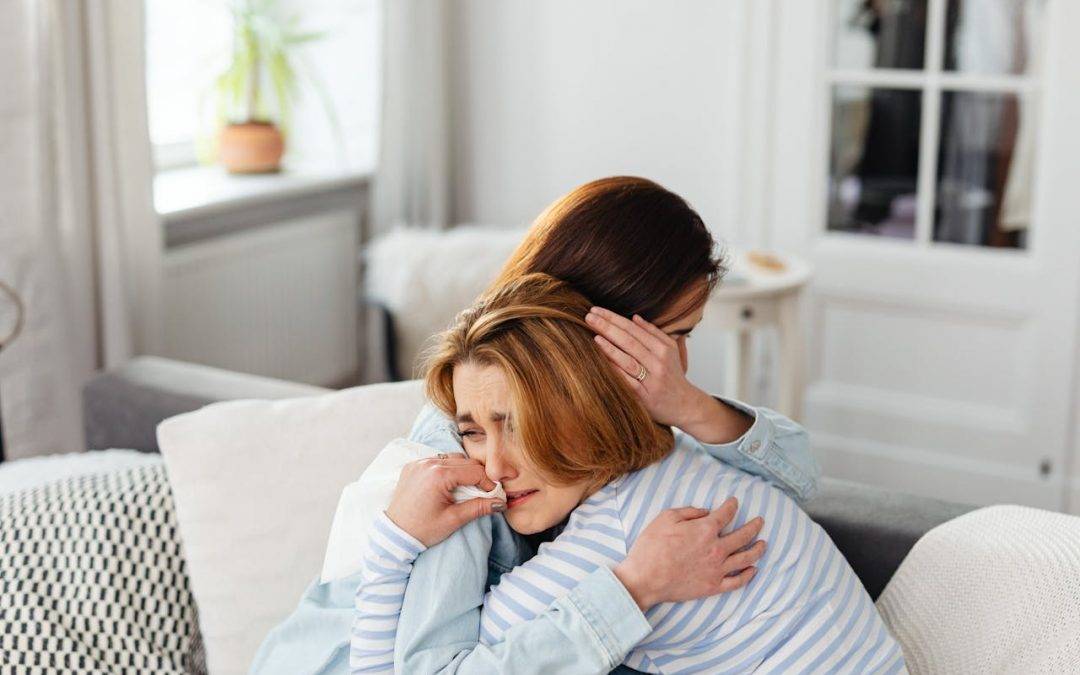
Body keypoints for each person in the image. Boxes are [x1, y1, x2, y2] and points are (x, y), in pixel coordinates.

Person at [252, 177, 818, 673]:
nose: (678, 365)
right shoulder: (468, 463)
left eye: (685, 338)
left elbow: (798, 482)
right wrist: (634, 588)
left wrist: (689, 405)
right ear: (591, 333)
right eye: (671, 336)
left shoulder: (628, 408)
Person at [351, 274, 904, 674]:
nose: (493, 467)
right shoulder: (683, 459)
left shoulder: (616, 536)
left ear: (581, 408)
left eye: (517, 425)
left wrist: (391, 546)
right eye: (473, 432)